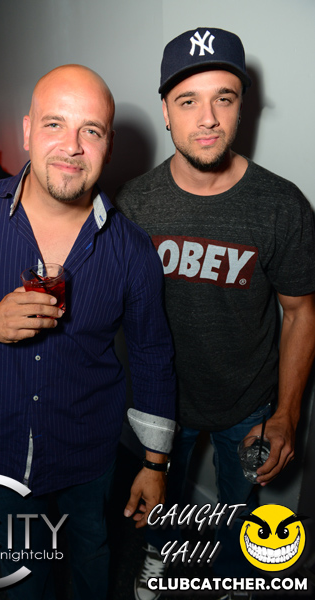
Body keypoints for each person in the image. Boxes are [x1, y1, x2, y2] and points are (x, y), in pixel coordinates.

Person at [0, 64, 176, 600]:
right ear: (28, 130)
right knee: (24, 575)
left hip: (88, 453)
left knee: (91, 554)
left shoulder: (132, 249)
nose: (72, 146)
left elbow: (152, 354)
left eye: (91, 130)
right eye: (55, 124)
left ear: (108, 145)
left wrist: (154, 464)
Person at [115, 27, 315, 600]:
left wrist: (287, 415)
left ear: (241, 106)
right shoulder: (134, 205)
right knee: (160, 502)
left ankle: (232, 577)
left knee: (236, 509)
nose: (207, 119)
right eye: (188, 101)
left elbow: (301, 312)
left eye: (223, 98)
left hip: (246, 403)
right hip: (161, 406)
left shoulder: (281, 206)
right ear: (165, 112)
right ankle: (158, 558)